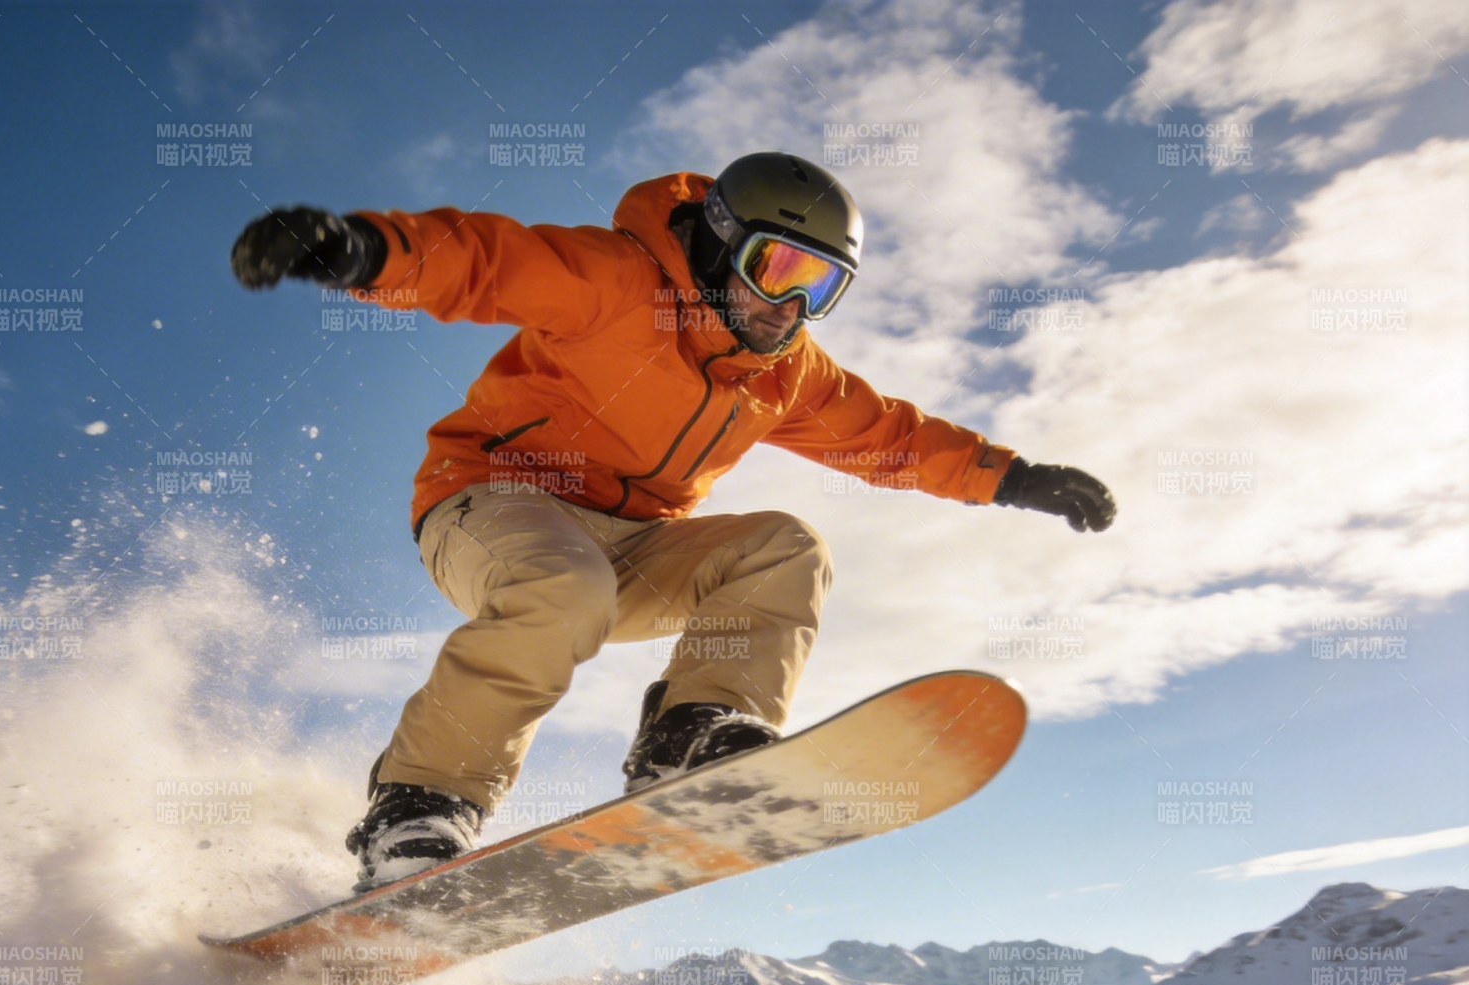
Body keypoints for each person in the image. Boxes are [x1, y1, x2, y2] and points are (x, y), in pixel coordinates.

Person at [231, 152, 1115, 888]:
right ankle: (418, 807)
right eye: (779, 269)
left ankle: (693, 735)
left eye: (822, 287)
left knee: (783, 548)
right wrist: (362, 252)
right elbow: (487, 262)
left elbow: (888, 437)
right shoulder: (617, 282)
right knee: (560, 587)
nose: (791, 307)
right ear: (724, 243)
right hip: (492, 501)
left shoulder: (785, 374)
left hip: (634, 547)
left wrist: (1015, 478)